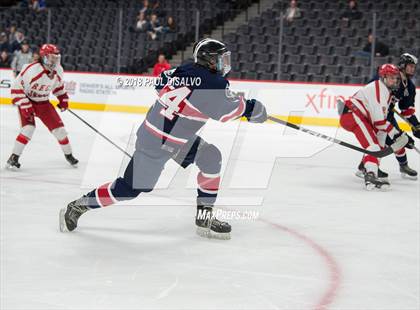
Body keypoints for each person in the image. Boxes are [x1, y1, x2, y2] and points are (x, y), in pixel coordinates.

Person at [59, 38, 267, 240]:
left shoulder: (185, 70)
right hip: (155, 142)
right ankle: (79, 205)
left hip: (176, 137)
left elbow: (161, 83)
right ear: (208, 61)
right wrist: (255, 109)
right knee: (129, 189)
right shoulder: (213, 82)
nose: (225, 64)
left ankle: (204, 218)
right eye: (221, 59)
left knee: (211, 158)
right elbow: (226, 112)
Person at [339, 64, 412, 190]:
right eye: (391, 78)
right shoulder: (379, 91)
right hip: (353, 115)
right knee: (373, 146)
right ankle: (370, 175)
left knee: (380, 142)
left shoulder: (386, 91)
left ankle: (365, 167)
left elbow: (381, 127)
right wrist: (398, 134)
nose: (395, 80)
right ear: (383, 77)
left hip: (361, 116)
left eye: (396, 78)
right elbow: (380, 123)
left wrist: (397, 134)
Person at [6, 44, 78, 170]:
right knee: (28, 129)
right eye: (52, 57)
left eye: (56, 57)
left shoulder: (58, 70)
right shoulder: (31, 70)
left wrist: (63, 99)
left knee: (60, 131)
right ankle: (14, 157)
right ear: (44, 57)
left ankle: (69, 155)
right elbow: (16, 88)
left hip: (44, 103)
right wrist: (25, 105)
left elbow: (58, 87)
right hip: (28, 101)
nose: (55, 60)